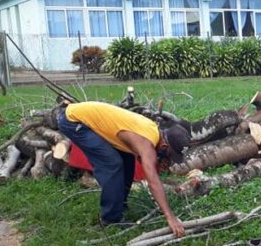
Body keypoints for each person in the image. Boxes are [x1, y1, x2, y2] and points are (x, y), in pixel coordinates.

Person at [57, 101, 189, 237]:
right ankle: (110, 219)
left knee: (127, 160)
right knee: (112, 164)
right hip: (73, 120)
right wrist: (170, 216)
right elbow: (153, 181)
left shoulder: (152, 131)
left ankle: (119, 205)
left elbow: (128, 138)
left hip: (82, 116)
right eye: (170, 155)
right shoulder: (146, 143)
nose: (169, 159)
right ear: (165, 146)